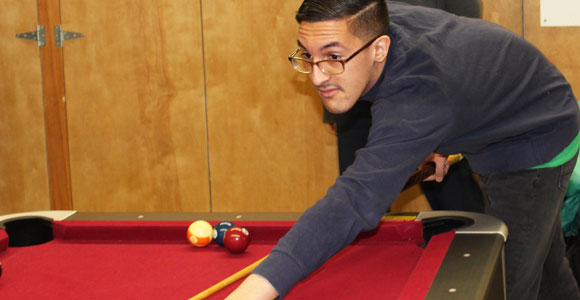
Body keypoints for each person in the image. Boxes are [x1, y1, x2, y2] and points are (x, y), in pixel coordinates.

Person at [227, 1, 580, 299]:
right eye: (308, 55)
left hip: (537, 138)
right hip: (501, 112)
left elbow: (353, 200)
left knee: (505, 283)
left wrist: (256, 289)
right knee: (545, 264)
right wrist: (433, 137)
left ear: (379, 48)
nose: (318, 76)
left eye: (333, 57)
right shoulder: (369, 22)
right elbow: (454, 79)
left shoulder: (417, 95)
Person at [326, 0, 485, 213]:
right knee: (361, 197)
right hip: (357, 96)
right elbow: (326, 24)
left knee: (449, 189)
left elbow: (466, 34)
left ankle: (470, 245)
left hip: (427, 91)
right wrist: (332, 107)